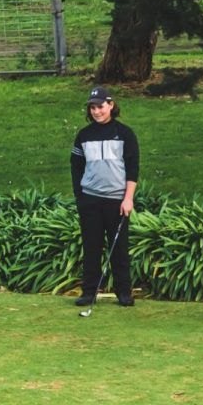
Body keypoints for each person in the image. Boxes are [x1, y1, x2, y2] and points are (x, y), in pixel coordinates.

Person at [72, 86, 138, 307]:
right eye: (92, 107)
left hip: (117, 200)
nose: (96, 111)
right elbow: (76, 169)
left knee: (118, 248)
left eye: (100, 106)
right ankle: (89, 293)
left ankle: (124, 293)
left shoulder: (125, 133)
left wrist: (128, 198)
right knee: (91, 247)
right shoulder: (83, 135)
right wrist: (80, 198)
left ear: (111, 105)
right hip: (90, 200)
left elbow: (132, 169)